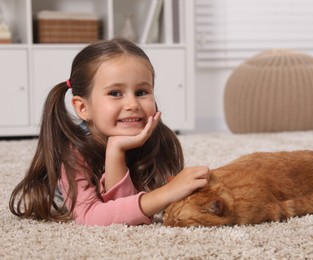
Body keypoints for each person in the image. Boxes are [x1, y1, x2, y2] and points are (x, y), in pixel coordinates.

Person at [9, 38, 209, 226]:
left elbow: (127, 210)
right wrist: (166, 192)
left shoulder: (161, 139)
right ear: (83, 108)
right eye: (115, 93)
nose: (132, 104)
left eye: (141, 92)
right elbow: (92, 217)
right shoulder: (72, 153)